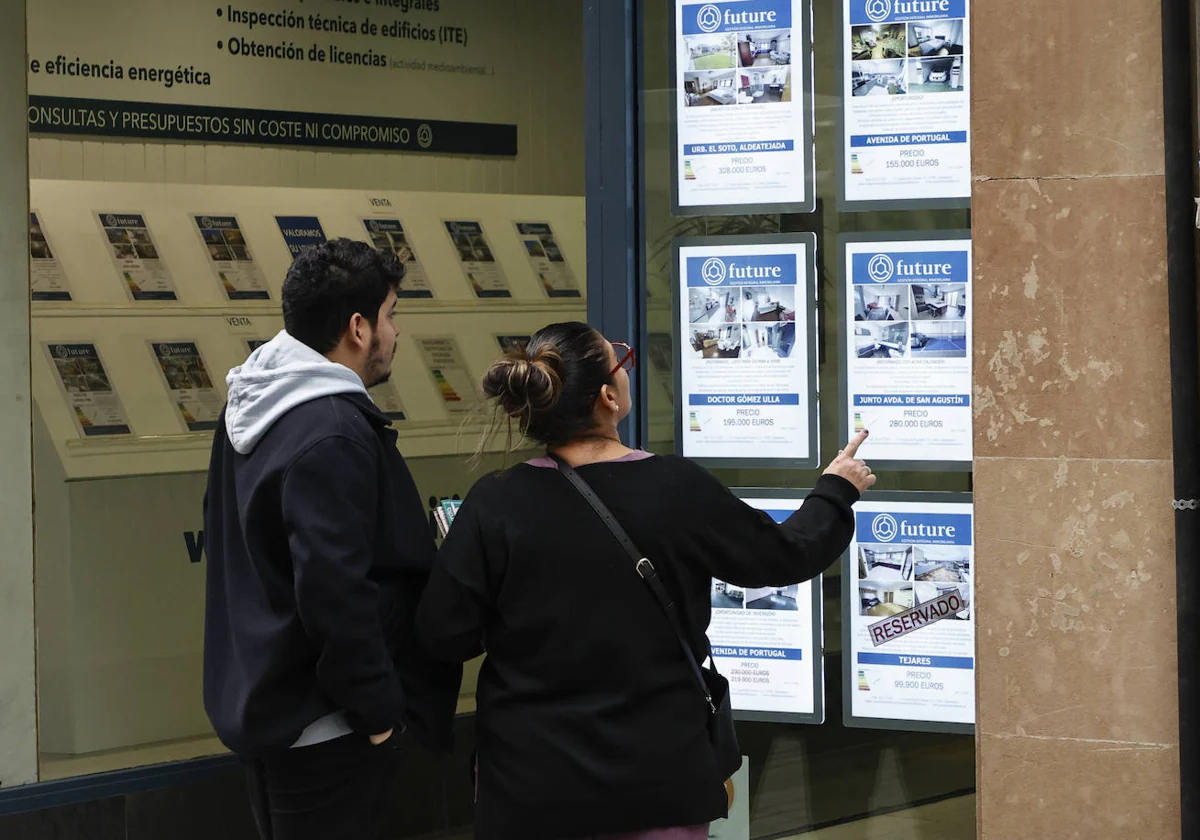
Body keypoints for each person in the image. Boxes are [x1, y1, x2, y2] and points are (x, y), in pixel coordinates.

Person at [416, 321, 875, 840]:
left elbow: (443, 632)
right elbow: (782, 557)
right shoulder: (675, 487)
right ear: (609, 398)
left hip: (529, 785)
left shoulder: (494, 503)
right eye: (620, 358)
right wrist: (836, 490)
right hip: (657, 778)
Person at [202, 238, 462, 840]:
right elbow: (334, 591)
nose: (395, 332)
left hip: (272, 704)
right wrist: (378, 717)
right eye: (390, 315)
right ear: (357, 328)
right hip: (326, 726)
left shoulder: (254, 404)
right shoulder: (333, 432)